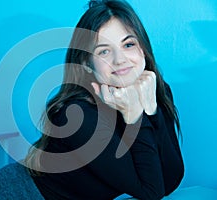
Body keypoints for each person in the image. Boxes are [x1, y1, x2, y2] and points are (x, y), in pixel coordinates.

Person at [25, 0, 184, 199]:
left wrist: (152, 111)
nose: (120, 59)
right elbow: (151, 193)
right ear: (86, 63)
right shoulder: (77, 115)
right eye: (104, 51)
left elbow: (170, 179)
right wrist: (135, 116)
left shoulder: (154, 91)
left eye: (128, 44)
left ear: (143, 48)